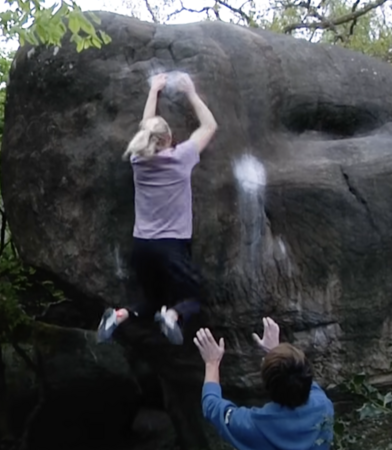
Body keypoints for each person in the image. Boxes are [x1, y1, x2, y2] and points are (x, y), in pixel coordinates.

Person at [97, 71, 218, 345]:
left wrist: (154, 90)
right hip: (171, 246)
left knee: (151, 298)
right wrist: (191, 92)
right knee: (195, 297)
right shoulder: (181, 157)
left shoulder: (138, 161)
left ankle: (118, 315)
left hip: (142, 245)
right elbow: (209, 126)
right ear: (168, 139)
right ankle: (172, 316)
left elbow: (146, 128)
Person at [193, 317, 335, 450]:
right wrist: (275, 353)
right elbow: (302, 378)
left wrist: (212, 362)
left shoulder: (254, 426)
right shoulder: (324, 406)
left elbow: (211, 405)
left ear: (267, 385)